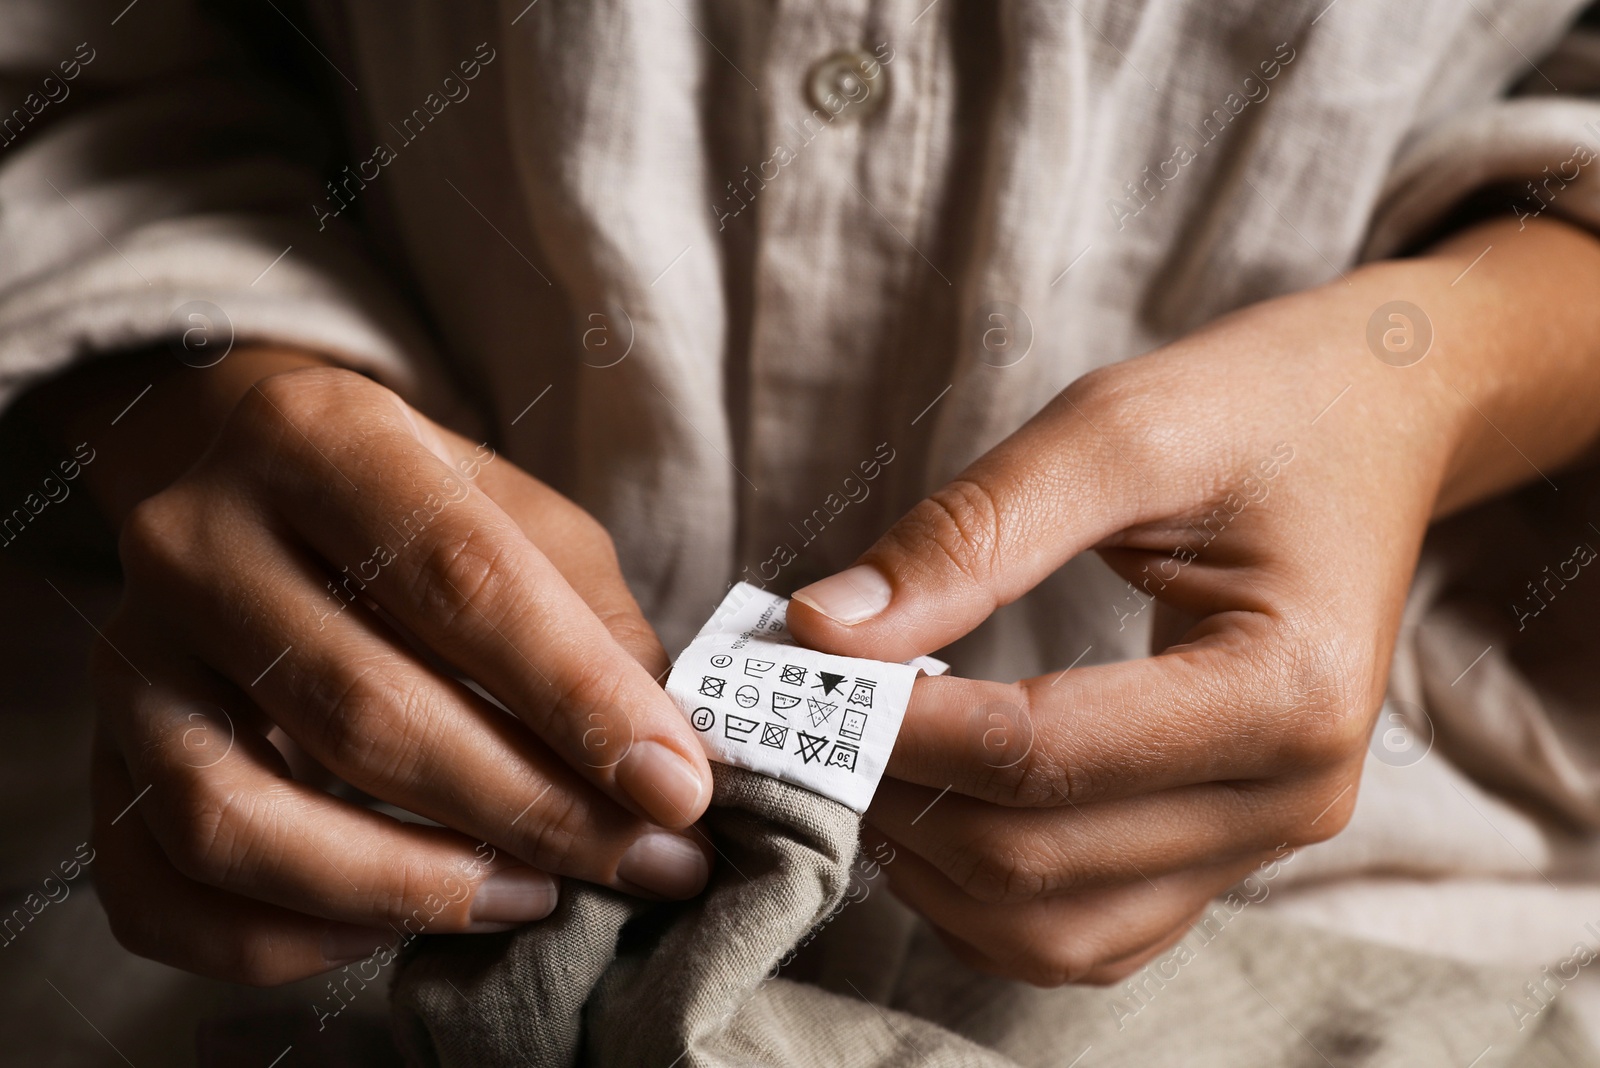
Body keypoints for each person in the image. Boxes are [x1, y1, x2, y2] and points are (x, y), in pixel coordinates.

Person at [4, 0, 1600, 1009]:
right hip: (285, 863)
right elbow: (83, 60)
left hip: (1377, 911)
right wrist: (201, 407)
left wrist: (1428, 380)